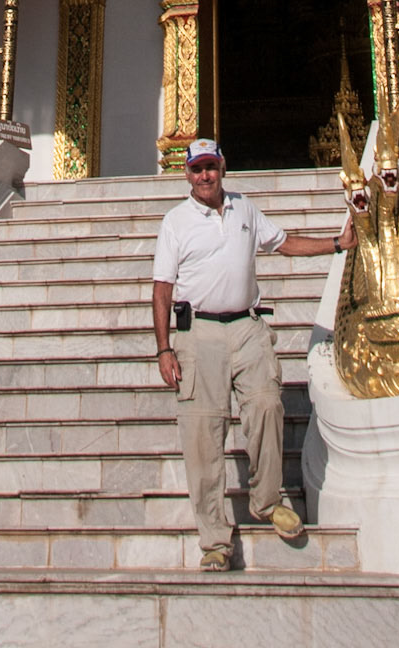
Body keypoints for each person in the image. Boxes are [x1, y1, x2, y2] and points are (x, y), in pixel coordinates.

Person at [152, 135, 356, 571]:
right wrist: (164, 348)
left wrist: (336, 244)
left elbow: (284, 243)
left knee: (266, 404)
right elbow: (162, 288)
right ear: (186, 173)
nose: (205, 175)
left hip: (247, 326)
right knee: (203, 436)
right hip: (198, 333)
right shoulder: (176, 222)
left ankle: (266, 499)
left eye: (211, 166)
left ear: (223, 166)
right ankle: (214, 541)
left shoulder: (245, 209)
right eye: (197, 168)